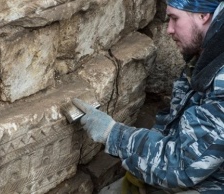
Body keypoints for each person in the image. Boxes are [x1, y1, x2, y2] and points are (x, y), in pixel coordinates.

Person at [72, 0, 224, 193]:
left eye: (174, 18)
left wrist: (112, 134)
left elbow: (183, 166)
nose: (169, 29)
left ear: (203, 16)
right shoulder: (204, 57)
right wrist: (141, 166)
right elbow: (173, 123)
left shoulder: (221, 79)